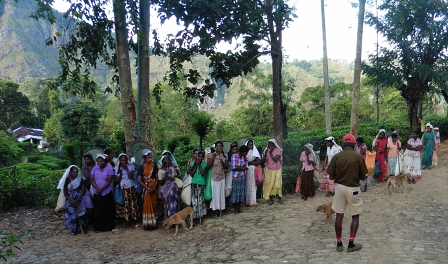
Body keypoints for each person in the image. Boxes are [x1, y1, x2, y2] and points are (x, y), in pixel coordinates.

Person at [328, 133, 367, 253]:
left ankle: (339, 243)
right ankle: (351, 244)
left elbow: (330, 175)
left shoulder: (337, 157)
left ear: (343, 144)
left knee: (339, 216)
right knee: (355, 216)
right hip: (353, 189)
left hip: (340, 188)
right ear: (354, 144)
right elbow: (363, 176)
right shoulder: (358, 157)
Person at [90, 154, 115, 232]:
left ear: (105, 161)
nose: (100, 162)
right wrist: (97, 189)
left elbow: (109, 181)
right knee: (98, 210)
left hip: (106, 192)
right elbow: (92, 180)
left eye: (102, 161)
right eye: (99, 161)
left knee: (107, 209)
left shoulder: (109, 169)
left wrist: (101, 189)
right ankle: (98, 227)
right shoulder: (94, 169)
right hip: (96, 192)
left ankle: (108, 227)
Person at [60, 165, 87, 235]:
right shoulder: (67, 180)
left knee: (81, 214)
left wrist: (77, 199)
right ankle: (74, 228)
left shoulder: (80, 179)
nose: (75, 174)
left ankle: (83, 228)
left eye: (76, 172)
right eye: (73, 172)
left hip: (79, 199)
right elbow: (65, 191)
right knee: (72, 215)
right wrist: (69, 200)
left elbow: (83, 190)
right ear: (70, 173)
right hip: (69, 199)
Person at [137, 149, 159, 230]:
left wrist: (153, 187)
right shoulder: (141, 167)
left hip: (153, 189)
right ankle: (148, 224)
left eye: (150, 157)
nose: (150, 158)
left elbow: (157, 178)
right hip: (146, 189)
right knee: (146, 205)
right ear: (144, 158)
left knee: (153, 205)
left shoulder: (154, 165)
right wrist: (147, 188)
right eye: (148, 157)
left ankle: (154, 223)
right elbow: (139, 180)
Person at [115, 153, 139, 223]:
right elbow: (117, 181)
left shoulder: (130, 167)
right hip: (123, 187)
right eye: (122, 160)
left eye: (125, 160)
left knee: (132, 201)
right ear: (120, 160)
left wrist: (126, 169)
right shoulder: (116, 169)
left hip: (130, 186)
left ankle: (134, 217)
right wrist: (120, 173)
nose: (123, 162)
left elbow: (131, 177)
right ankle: (127, 218)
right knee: (126, 203)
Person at [208, 141, 229, 218]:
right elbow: (208, 166)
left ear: (222, 147)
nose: (219, 147)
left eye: (220, 146)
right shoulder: (211, 155)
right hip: (214, 177)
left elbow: (226, 167)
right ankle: (215, 212)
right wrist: (213, 158)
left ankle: (221, 210)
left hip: (222, 177)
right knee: (215, 194)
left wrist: (222, 162)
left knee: (221, 194)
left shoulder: (225, 155)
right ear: (215, 147)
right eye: (217, 146)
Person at [158, 155, 180, 220]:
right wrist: (165, 177)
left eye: (170, 161)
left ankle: (174, 219)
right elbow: (161, 183)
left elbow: (178, 176)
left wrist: (177, 171)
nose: (170, 163)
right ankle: (169, 219)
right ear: (164, 162)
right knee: (167, 204)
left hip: (173, 188)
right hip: (165, 190)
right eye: (169, 162)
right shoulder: (160, 171)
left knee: (174, 203)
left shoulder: (171, 168)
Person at [262, 139, 283, 205]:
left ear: (274, 145)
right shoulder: (266, 151)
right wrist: (264, 155)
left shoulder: (278, 150)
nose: (270, 146)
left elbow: (275, 160)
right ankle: (271, 200)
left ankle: (279, 198)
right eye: (269, 145)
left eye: (272, 144)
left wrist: (270, 153)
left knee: (277, 184)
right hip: (269, 170)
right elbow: (264, 160)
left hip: (277, 169)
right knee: (269, 184)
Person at [188, 151, 207, 219]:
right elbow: (191, 174)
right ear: (197, 156)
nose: (200, 158)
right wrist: (196, 165)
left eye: (202, 156)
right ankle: (196, 216)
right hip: (194, 183)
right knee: (194, 200)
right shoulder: (192, 164)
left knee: (200, 200)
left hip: (201, 183)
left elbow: (202, 173)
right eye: (199, 156)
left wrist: (199, 165)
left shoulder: (204, 164)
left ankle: (201, 215)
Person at [230, 145, 249, 213]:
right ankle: (235, 208)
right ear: (243, 152)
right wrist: (242, 168)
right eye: (246, 152)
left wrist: (239, 167)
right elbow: (233, 168)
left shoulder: (244, 158)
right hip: (235, 177)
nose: (246, 154)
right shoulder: (234, 156)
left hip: (241, 177)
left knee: (241, 192)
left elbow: (246, 167)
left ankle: (239, 208)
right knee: (235, 192)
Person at [244, 139, 260, 207]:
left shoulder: (255, 152)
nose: (250, 146)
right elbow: (244, 162)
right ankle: (247, 201)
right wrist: (250, 162)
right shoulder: (244, 152)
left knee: (253, 185)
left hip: (253, 170)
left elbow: (258, 161)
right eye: (249, 144)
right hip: (246, 170)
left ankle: (253, 201)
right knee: (247, 185)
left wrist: (253, 163)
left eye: (251, 144)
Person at [81, 153, 95, 224]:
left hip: (95, 186)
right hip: (86, 186)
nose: (87, 160)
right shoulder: (84, 167)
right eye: (85, 159)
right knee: (88, 203)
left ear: (91, 159)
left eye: (88, 159)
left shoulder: (95, 166)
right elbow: (83, 177)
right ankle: (89, 218)